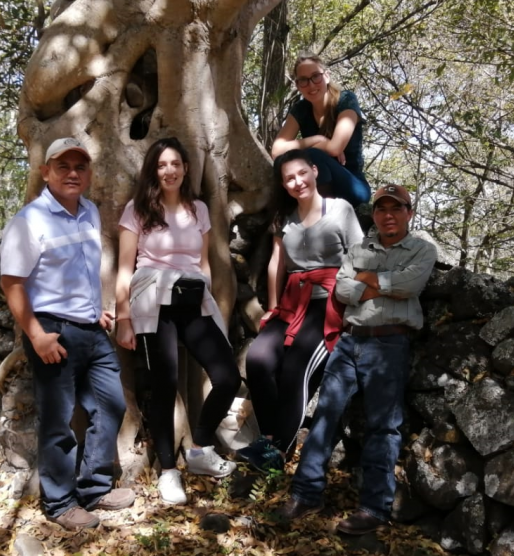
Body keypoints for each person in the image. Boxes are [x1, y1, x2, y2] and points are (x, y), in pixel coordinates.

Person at [278, 184, 437, 535]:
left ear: (409, 213)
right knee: (324, 416)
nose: (388, 215)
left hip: (389, 344)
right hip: (350, 342)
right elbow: (343, 290)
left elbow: (409, 285)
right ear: (375, 214)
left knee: (384, 426)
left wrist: (367, 280)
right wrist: (384, 283)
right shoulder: (358, 248)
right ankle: (306, 494)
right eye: (382, 209)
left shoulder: (422, 250)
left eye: (397, 209)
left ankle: (374, 509)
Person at [0, 137, 135, 531]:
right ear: (46, 173)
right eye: (63, 166)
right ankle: (59, 503)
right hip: (52, 332)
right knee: (58, 420)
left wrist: (100, 310)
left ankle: (94, 488)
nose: (73, 173)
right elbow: (12, 284)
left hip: (92, 330)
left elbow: (84, 271)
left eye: (80, 167)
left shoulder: (90, 211)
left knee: (111, 405)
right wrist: (37, 336)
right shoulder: (29, 222)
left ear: (89, 174)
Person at [115, 137, 241, 505]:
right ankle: (168, 471)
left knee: (227, 377)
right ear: (153, 171)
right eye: (161, 165)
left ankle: (200, 448)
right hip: (153, 302)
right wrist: (124, 317)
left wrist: (208, 296)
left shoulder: (198, 209)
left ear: (186, 169)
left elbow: (202, 263)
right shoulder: (137, 210)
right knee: (164, 385)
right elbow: (125, 268)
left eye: (175, 164)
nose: (169, 170)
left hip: (191, 299)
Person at [238, 149, 364, 473]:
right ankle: (269, 441)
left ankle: (278, 451)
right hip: (292, 303)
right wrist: (273, 305)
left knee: (296, 370)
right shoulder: (285, 217)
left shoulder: (340, 210)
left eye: (301, 174)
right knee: (258, 359)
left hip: (329, 303)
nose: (297, 182)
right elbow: (277, 263)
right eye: (289, 179)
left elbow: (360, 257)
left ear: (314, 172)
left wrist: (356, 307)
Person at [271, 52, 371, 208]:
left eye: (316, 76)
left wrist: (314, 149)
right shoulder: (301, 109)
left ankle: (324, 215)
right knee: (282, 169)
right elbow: (277, 151)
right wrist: (318, 140)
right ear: (298, 85)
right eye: (303, 80)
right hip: (314, 185)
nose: (311, 85)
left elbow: (334, 148)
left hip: (353, 187)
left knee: (312, 155)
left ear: (327, 76)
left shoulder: (345, 100)